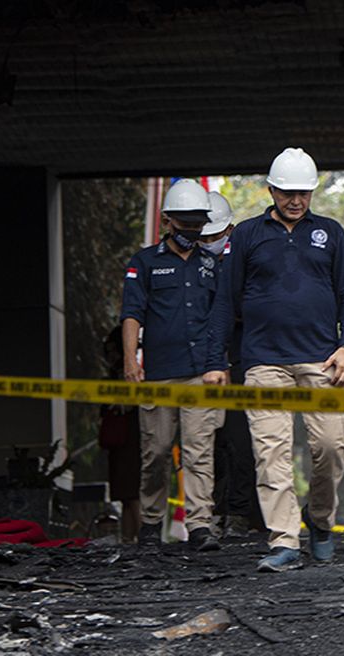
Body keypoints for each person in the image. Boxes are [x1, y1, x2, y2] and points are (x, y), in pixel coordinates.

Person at [204, 148, 344, 572]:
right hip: (263, 361)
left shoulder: (330, 232)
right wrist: (217, 360)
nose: (296, 200)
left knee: (331, 446)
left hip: (322, 359)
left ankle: (321, 521)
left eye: (303, 193)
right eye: (288, 192)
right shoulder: (249, 235)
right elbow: (224, 301)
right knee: (271, 452)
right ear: (271, 190)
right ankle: (285, 540)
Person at [120, 178, 223, 552]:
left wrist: (219, 365)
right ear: (167, 221)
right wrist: (131, 360)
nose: (191, 231)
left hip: (201, 373)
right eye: (184, 223)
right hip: (159, 373)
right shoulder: (144, 263)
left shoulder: (212, 266)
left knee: (199, 451)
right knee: (157, 451)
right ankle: (151, 523)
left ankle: (199, 526)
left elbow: (219, 319)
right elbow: (131, 314)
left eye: (197, 223)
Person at [199, 191, 265, 538]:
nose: (210, 243)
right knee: (210, 444)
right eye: (205, 237)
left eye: (216, 235)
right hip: (201, 364)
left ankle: (241, 514)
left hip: (240, 360)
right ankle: (215, 512)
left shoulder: (246, 262)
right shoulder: (191, 266)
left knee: (242, 441)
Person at [99, 325, 141, 543]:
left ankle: (141, 536)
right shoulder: (114, 375)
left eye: (113, 350)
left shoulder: (134, 373)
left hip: (131, 439)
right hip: (119, 442)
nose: (111, 356)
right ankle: (128, 538)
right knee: (125, 494)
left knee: (132, 492)